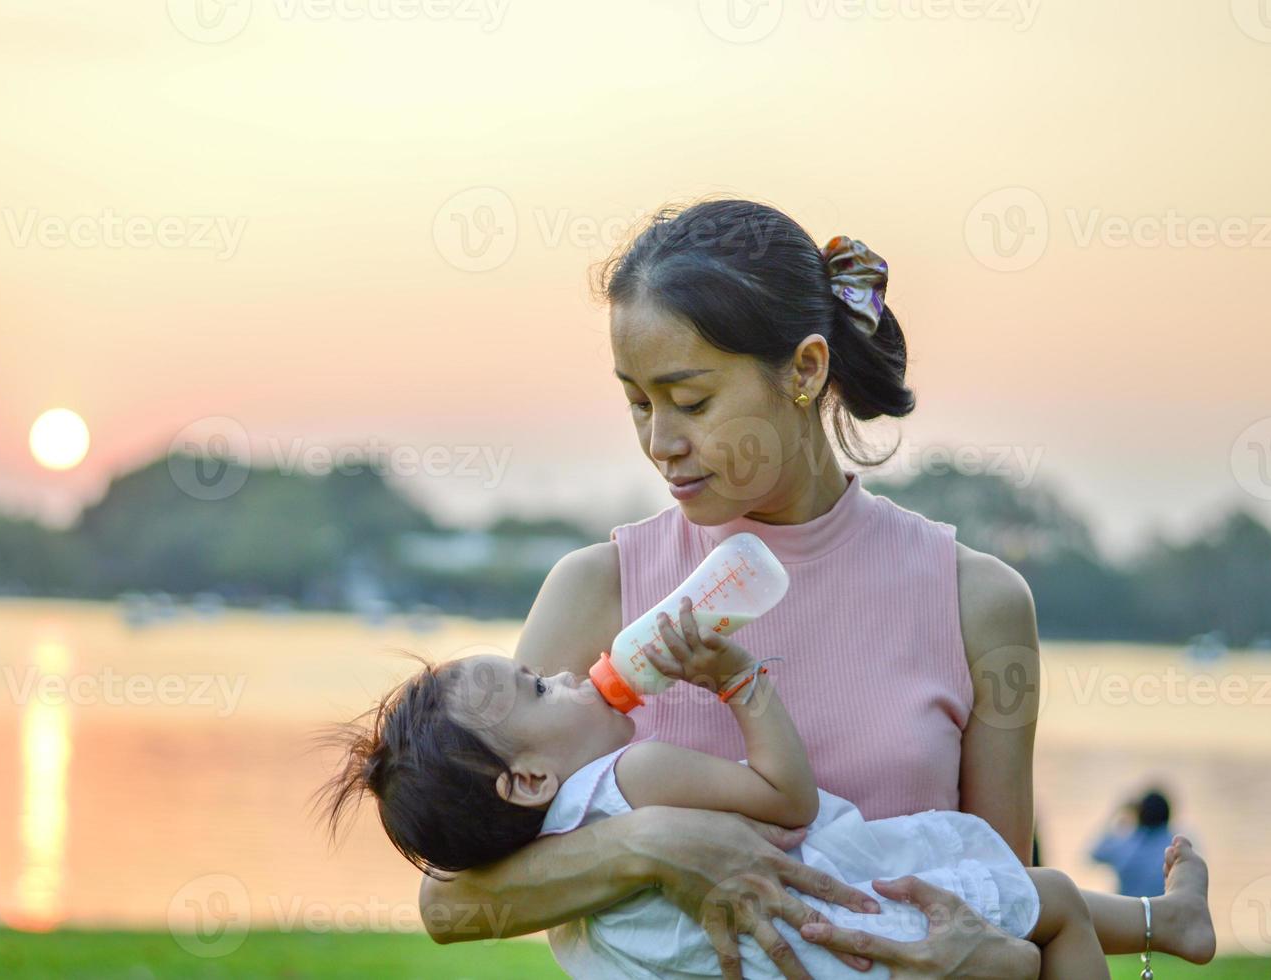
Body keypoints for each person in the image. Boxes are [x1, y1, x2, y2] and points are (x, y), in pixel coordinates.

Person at [413, 198, 1217, 977]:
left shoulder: (977, 603)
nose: (661, 441)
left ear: (804, 370)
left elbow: (1000, 903)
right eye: (636, 401)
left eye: (691, 401)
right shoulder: (598, 589)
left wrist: (984, 958)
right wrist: (656, 844)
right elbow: (450, 904)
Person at [316, 601, 1213, 978]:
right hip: (855, 925)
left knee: (1035, 914)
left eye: (690, 396)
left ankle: (1168, 924)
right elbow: (788, 800)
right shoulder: (633, 772)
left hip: (822, 951)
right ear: (526, 778)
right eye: (539, 689)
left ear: (806, 370)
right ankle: (1166, 923)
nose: (560, 675)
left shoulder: (553, 856)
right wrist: (742, 682)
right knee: (1047, 896)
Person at [1091, 790, 1175, 898]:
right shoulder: (1177, 846)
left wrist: (1115, 815)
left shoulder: (1125, 846)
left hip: (1126, 912)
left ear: (1139, 815)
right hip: (1164, 912)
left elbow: (1094, 854)